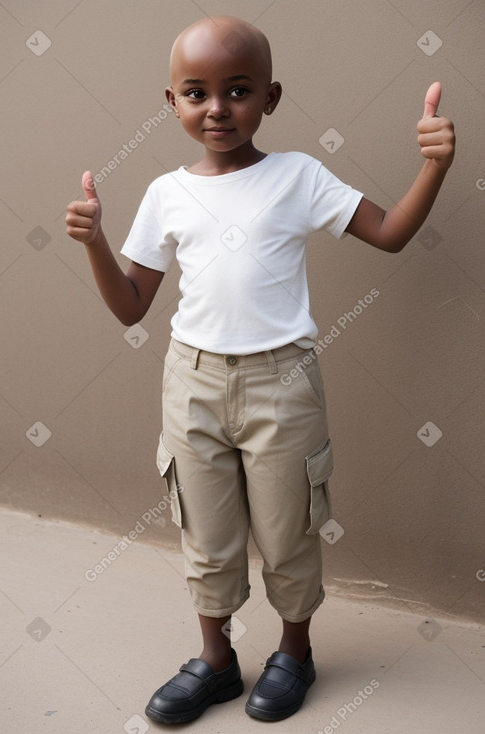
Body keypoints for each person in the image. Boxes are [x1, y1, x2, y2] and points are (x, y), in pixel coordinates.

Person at [66, 14, 455, 724]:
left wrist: (432, 166)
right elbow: (130, 308)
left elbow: (391, 235)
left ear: (270, 97)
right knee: (204, 532)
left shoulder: (298, 175)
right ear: (172, 101)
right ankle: (215, 661)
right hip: (193, 383)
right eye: (196, 92)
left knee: (289, 530)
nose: (217, 108)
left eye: (237, 89)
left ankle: (294, 655)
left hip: (283, 382)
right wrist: (94, 241)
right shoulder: (164, 194)